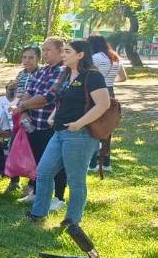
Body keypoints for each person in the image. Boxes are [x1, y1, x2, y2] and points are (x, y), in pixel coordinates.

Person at [26, 40, 110, 226]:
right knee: (44, 172)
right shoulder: (66, 73)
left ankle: (72, 220)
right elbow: (61, 100)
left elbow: (104, 104)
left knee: (76, 179)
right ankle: (39, 213)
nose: (63, 54)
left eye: (67, 51)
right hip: (59, 132)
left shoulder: (93, 76)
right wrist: (53, 116)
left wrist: (79, 123)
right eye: (63, 51)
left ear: (80, 55)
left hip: (80, 134)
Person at [13, 37, 67, 209]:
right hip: (34, 124)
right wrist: (26, 109)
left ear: (60, 51)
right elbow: (29, 92)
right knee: (38, 160)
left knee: (56, 163)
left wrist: (23, 106)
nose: (44, 53)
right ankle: (36, 191)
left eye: (48, 50)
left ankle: (58, 197)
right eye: (43, 50)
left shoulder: (63, 72)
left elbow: (47, 98)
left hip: (51, 125)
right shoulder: (43, 71)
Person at [87, 35, 127, 173]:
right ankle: (106, 162)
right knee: (107, 127)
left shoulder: (95, 58)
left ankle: (92, 163)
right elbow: (124, 78)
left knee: (93, 126)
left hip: (97, 92)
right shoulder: (115, 58)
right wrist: (110, 80)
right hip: (111, 92)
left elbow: (88, 74)